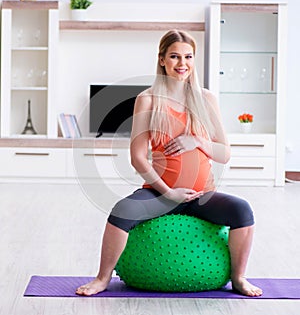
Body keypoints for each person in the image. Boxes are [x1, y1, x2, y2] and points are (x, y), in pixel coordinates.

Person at [76, 30, 262, 297]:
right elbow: (138, 158)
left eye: (188, 56)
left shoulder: (207, 99)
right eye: (174, 56)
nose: (182, 63)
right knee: (121, 211)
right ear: (162, 59)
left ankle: (239, 278)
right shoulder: (148, 99)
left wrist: (196, 141)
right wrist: (168, 192)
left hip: (201, 195)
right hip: (159, 193)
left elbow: (224, 153)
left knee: (242, 211)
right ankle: (102, 278)